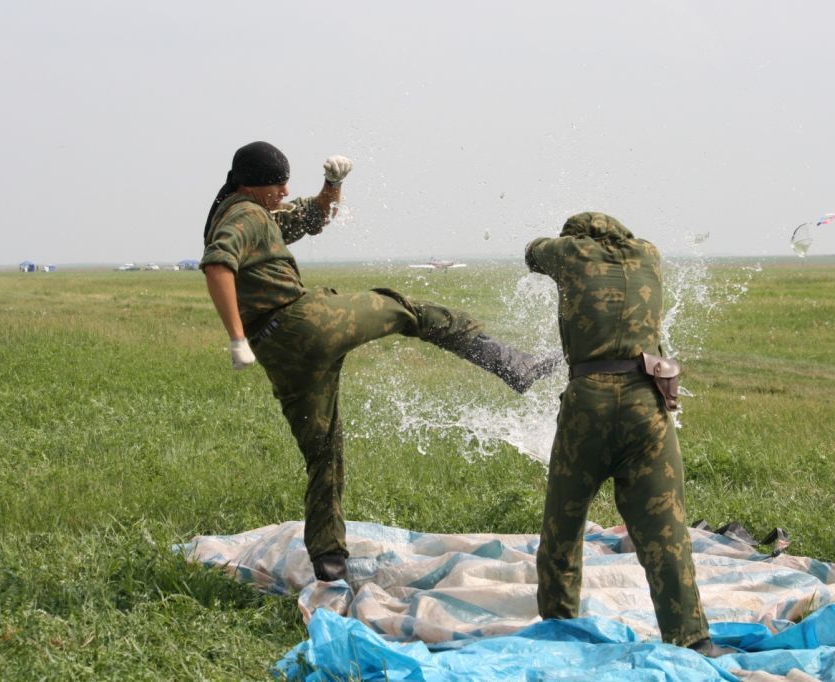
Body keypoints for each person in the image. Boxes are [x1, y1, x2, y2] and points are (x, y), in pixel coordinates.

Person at [200, 141, 558, 583]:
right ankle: (511, 363)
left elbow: (314, 217)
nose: (286, 189)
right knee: (406, 309)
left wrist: (331, 186)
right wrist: (235, 337)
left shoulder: (258, 213)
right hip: (306, 324)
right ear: (252, 184)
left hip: (282, 355)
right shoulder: (244, 215)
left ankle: (329, 561)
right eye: (278, 182)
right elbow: (218, 264)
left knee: (323, 452)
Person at [525, 212, 732, 657]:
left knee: (563, 525)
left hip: (589, 405)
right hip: (647, 402)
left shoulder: (568, 252)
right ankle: (693, 638)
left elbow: (532, 253)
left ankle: (559, 628)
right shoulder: (649, 253)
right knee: (667, 529)